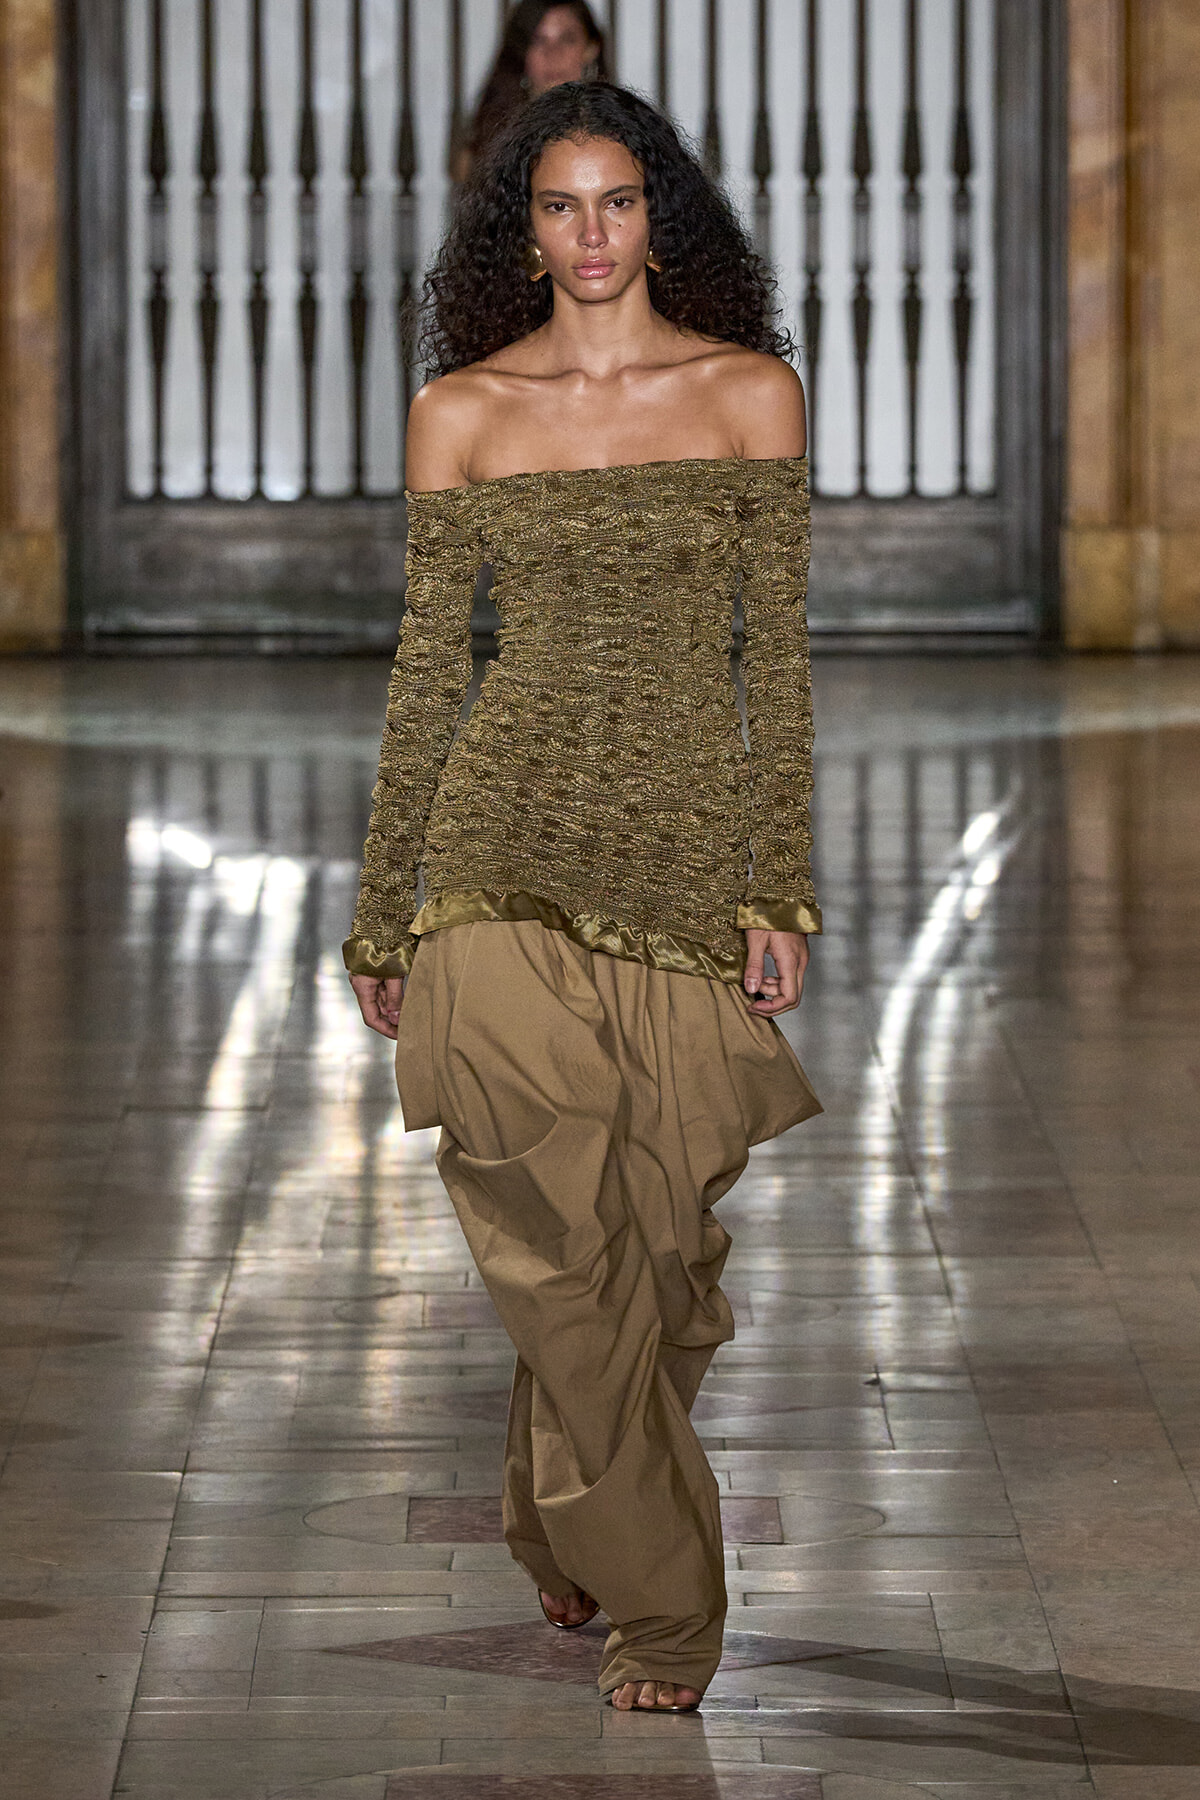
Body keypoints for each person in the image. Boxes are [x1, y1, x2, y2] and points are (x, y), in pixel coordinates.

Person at [346, 80, 822, 1715]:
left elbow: (777, 658)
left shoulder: (751, 395)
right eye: (562, 207)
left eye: (619, 202)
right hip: (500, 861)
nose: (594, 234)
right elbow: (424, 675)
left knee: (662, 1259)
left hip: (687, 866)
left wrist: (784, 883)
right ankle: (670, 1607)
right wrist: (385, 909)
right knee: (557, 1244)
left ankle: (555, 1497)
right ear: (523, 230)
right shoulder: (463, 412)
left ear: (659, 214)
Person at [453, 0, 607, 181]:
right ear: (520, 52)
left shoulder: (622, 134)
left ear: (591, 49)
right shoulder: (482, 151)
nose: (553, 53)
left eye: (567, 39)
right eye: (538, 40)